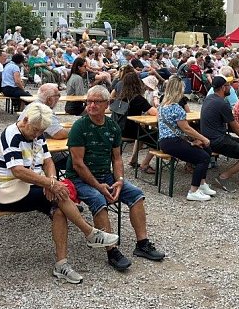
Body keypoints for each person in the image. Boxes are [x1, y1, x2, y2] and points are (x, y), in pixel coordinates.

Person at [0, 103, 120, 284]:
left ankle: (61, 264)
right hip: (9, 192)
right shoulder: (11, 135)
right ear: (25, 120)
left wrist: (51, 180)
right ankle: (90, 233)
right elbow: (18, 171)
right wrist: (50, 183)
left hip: (32, 187)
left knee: (60, 210)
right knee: (62, 195)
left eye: (41, 131)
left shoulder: (36, 133)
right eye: (35, 130)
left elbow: (48, 161)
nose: (37, 135)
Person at [65, 85, 165, 271]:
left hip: (106, 175)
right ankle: (112, 251)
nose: (91, 105)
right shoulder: (80, 126)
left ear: (107, 104)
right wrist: (98, 186)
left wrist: (119, 179)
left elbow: (117, 159)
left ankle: (142, 244)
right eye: (89, 101)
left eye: (96, 102)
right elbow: (78, 164)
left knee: (136, 195)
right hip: (79, 178)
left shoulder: (112, 127)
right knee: (98, 198)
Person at [156, 76, 216, 201]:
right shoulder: (177, 108)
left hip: (165, 141)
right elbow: (186, 128)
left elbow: (177, 129)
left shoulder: (161, 106)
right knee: (203, 157)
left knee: (206, 150)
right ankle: (193, 191)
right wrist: (203, 138)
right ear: (179, 91)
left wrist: (193, 141)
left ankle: (202, 184)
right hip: (173, 142)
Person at [117, 71, 157, 174]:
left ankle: (133, 160)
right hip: (130, 130)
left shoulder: (120, 96)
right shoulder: (137, 98)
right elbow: (154, 112)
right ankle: (145, 164)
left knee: (142, 135)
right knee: (157, 138)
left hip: (118, 129)